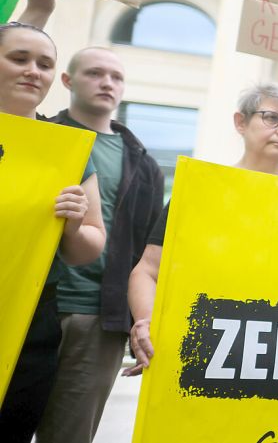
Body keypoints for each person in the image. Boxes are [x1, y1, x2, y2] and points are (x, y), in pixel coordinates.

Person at [125, 83, 278, 376]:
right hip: (203, 351)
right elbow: (147, 270)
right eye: (271, 117)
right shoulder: (200, 190)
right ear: (241, 122)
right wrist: (146, 322)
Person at [33, 48, 165, 443]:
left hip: (99, 317)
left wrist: (142, 318)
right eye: (95, 73)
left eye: (116, 77)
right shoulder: (41, 133)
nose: (107, 82)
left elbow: (149, 254)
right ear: (68, 81)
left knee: (70, 435)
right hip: (30, 303)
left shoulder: (145, 164)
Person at [0, 21, 106, 441]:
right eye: (18, 59)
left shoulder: (68, 148)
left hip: (30, 322)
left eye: (45, 64)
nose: (33, 71)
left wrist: (75, 225)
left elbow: (89, 248)